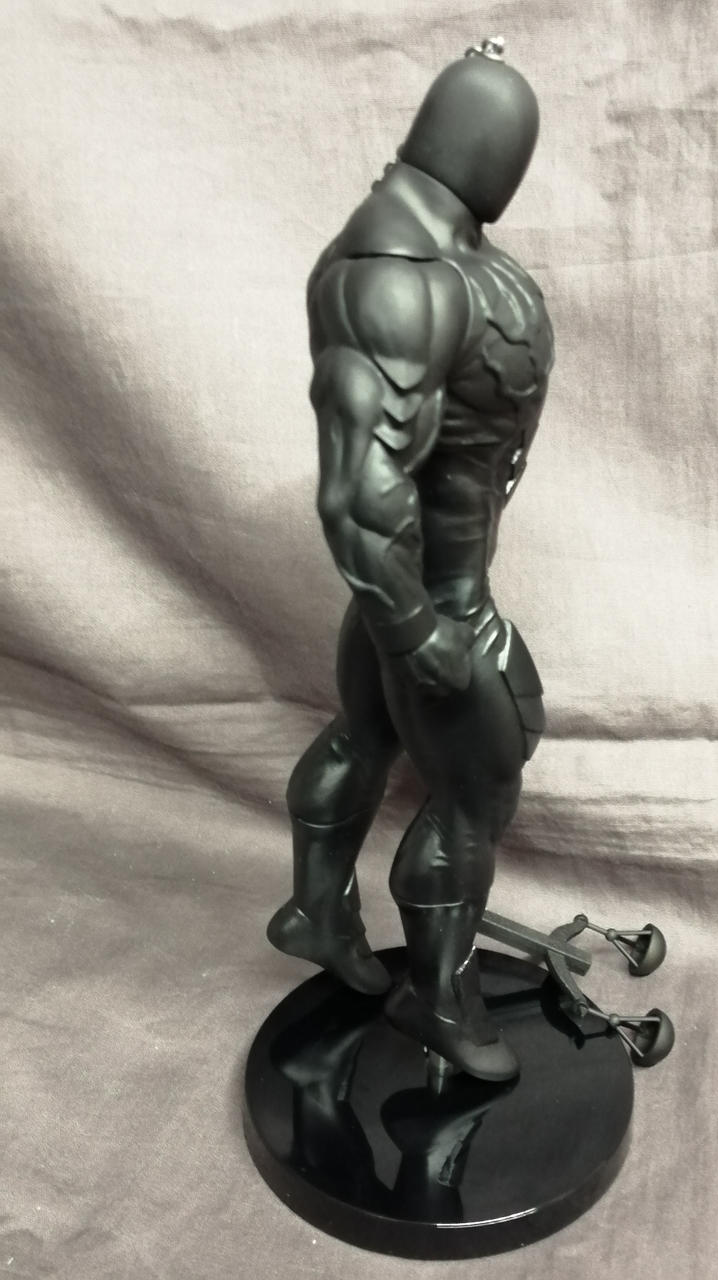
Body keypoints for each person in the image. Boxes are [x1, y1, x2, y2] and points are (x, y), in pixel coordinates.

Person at [268, 39, 554, 1081]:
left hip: (414, 595)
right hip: (433, 603)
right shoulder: (393, 273)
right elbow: (357, 488)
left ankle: (316, 909)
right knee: (478, 789)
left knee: (364, 730)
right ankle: (437, 1000)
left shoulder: (441, 252)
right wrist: (421, 629)